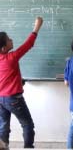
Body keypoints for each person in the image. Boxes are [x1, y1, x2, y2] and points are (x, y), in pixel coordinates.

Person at [0, 16, 43, 148]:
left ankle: (3, 147)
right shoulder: (11, 58)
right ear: (3, 48)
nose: (11, 39)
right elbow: (28, 44)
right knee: (27, 124)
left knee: (3, 126)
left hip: (0, 98)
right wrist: (37, 27)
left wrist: (19, 81)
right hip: (13, 99)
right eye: (8, 39)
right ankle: (28, 147)